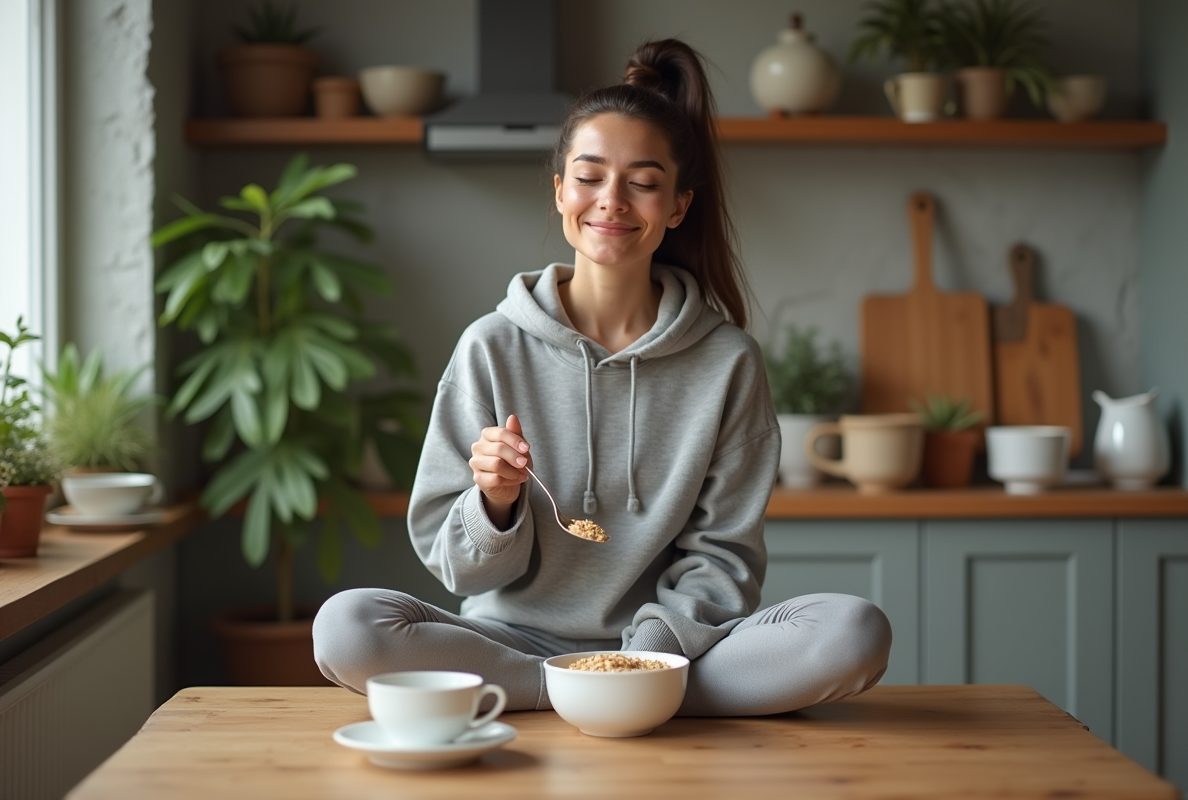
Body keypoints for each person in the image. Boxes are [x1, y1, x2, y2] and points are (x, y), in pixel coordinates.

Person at [313, 39, 891, 716]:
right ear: (561, 191)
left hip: (669, 649)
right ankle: (577, 694)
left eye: (643, 182)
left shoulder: (728, 362)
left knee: (853, 631)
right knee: (346, 627)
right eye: (589, 177)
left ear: (677, 205)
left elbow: (722, 562)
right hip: (506, 641)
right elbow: (455, 567)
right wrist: (494, 504)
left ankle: (626, 693)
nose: (611, 200)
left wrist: (639, 659)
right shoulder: (490, 347)